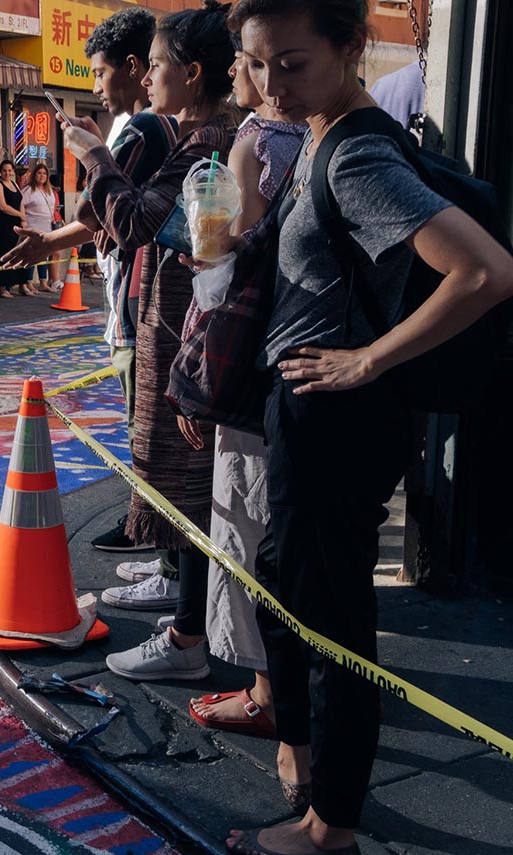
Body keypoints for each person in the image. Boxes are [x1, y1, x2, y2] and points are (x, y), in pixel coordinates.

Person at [221, 2, 512, 852]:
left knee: (331, 617)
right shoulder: (321, 132)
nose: (273, 85)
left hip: (335, 419)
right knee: (288, 578)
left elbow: (486, 271)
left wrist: (368, 360)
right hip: (312, 409)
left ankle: (330, 825)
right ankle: (305, 755)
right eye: (258, 64)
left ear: (352, 47)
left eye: (293, 63)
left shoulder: (356, 155)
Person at [66, 1, 236, 678]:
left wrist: (93, 155)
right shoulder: (208, 137)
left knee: (190, 481)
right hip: (190, 328)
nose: (146, 79)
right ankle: (190, 617)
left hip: (194, 334)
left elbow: (135, 221)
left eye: (157, 65)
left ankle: (189, 640)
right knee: (193, 481)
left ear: (190, 73)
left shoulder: (209, 143)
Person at [5, 8, 179, 546]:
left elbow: (97, 211)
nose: (96, 87)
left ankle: (164, 556)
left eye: (101, 73)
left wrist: (91, 155)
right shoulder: (164, 128)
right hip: (150, 298)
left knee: (147, 432)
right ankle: (160, 547)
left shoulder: (144, 128)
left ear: (135, 67)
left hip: (142, 302)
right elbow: (102, 217)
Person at [184, 44, 306, 743]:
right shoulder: (326, 138)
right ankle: (309, 681)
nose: (236, 70)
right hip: (313, 355)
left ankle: (265, 692)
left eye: (247, 58)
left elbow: (221, 268)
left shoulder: (253, 141)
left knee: (245, 521)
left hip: (255, 365)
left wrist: (197, 378)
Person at [0, 160, 30, 299]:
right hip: (1, 225)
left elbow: (21, 202)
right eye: (4, 170)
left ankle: (19, 284)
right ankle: (1, 287)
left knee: (16, 252)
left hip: (15, 225)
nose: (7, 173)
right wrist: (20, 215)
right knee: (2, 253)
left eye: (10, 170)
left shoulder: (14, 184)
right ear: (0, 171)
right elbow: (2, 206)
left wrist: (23, 220)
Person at [22, 162, 61, 294]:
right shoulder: (28, 190)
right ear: (34, 175)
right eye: (39, 173)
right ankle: (29, 282)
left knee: (44, 254)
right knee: (32, 254)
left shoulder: (49, 190)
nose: (42, 176)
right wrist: (23, 222)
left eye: (44, 173)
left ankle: (43, 282)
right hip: (33, 225)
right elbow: (21, 206)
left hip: (47, 226)